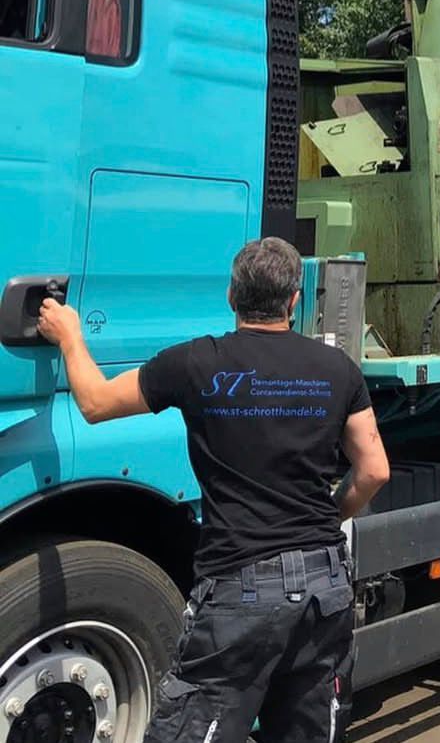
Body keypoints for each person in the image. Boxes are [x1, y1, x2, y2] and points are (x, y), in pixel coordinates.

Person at [37, 236, 391, 743]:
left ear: (232, 295)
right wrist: (327, 521)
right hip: (325, 586)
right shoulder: (339, 370)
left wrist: (69, 334)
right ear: (294, 299)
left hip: (240, 589)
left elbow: (93, 403)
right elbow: (374, 470)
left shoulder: (194, 365)